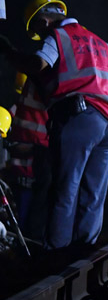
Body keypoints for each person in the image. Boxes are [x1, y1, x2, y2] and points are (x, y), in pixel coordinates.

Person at [1, 0, 108, 251]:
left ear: (44, 22)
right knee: (94, 192)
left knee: (65, 186)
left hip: (79, 116)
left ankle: (57, 251)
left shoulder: (58, 36)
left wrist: (8, 51)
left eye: (37, 31)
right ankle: (85, 251)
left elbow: (37, 63)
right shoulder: (104, 45)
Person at [5, 74, 51, 239]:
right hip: (28, 171)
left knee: (25, 218)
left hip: (26, 170)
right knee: (26, 220)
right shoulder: (47, 90)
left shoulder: (16, 108)